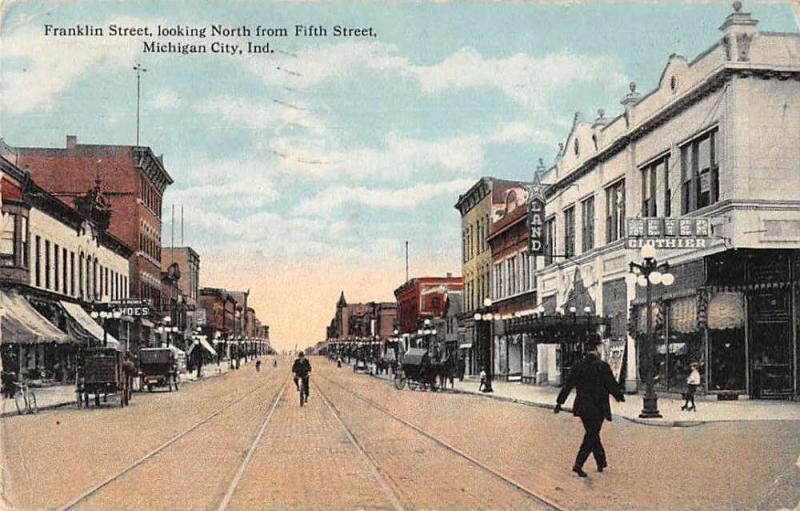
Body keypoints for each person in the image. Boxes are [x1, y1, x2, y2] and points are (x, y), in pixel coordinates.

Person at [555, 338, 625, 478]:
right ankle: (578, 464)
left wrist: (560, 402)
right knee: (591, 435)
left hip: (583, 407)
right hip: (598, 407)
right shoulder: (602, 366)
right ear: (597, 348)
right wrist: (619, 396)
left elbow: (568, 385)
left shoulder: (578, 366)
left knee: (592, 433)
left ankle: (601, 461)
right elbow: (610, 384)